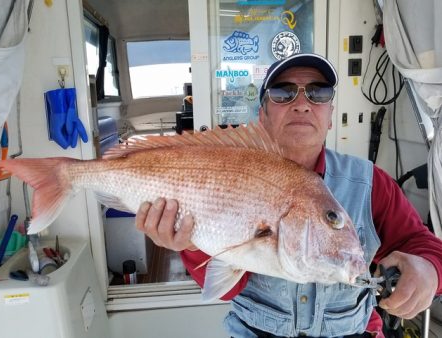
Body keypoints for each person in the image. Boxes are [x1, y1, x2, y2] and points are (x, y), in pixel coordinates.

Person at [135, 53, 442, 338]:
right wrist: (190, 245)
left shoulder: (370, 183)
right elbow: (227, 289)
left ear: (330, 115)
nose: (302, 103)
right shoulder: (231, 166)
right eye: (283, 92)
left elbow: (424, 244)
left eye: (318, 92)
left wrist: (428, 271)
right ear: (263, 115)